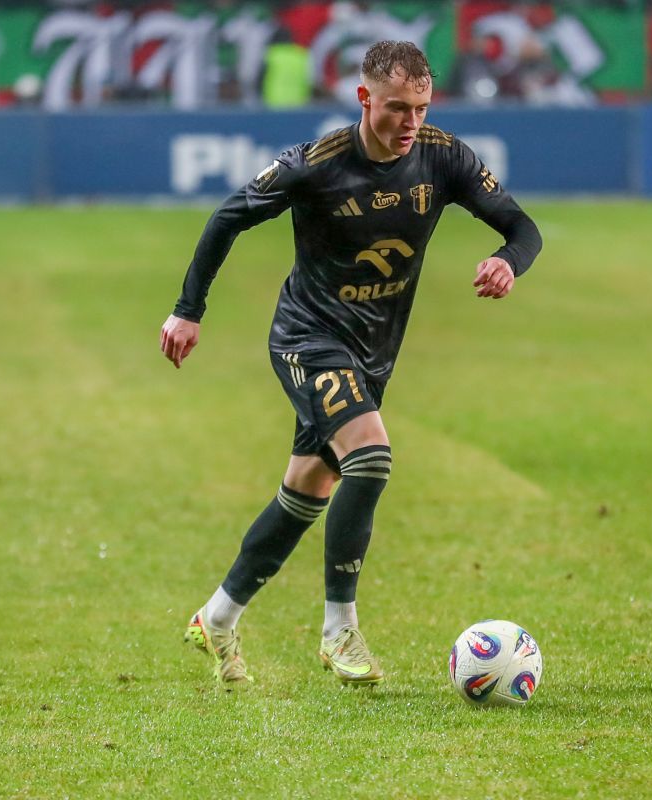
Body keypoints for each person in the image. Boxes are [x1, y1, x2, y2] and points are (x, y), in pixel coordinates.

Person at [159, 40, 542, 689]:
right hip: (306, 339)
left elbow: (523, 228)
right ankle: (339, 629)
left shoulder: (443, 157)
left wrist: (508, 261)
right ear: (364, 99)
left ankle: (217, 617)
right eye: (396, 108)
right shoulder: (316, 165)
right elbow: (227, 218)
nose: (410, 122)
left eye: (421, 108)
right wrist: (187, 310)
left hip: (373, 353)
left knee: (305, 493)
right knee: (370, 457)